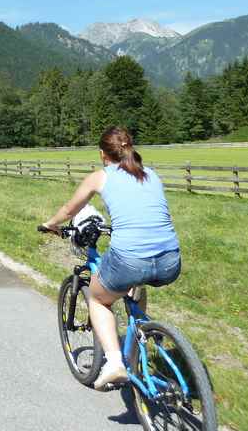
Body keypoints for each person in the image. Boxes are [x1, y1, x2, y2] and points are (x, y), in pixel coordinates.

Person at [40, 126, 180, 390]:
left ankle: (114, 362)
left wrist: (50, 224)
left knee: (98, 299)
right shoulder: (150, 174)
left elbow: (70, 209)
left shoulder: (100, 177)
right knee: (136, 283)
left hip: (130, 259)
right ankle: (140, 331)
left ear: (103, 154)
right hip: (170, 259)